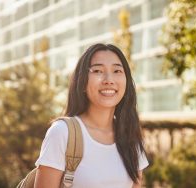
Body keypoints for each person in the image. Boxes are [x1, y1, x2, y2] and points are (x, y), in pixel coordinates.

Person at [34, 43, 149, 188]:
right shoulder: (62, 133)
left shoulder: (132, 139)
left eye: (117, 71)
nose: (109, 79)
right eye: (98, 71)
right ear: (82, 81)